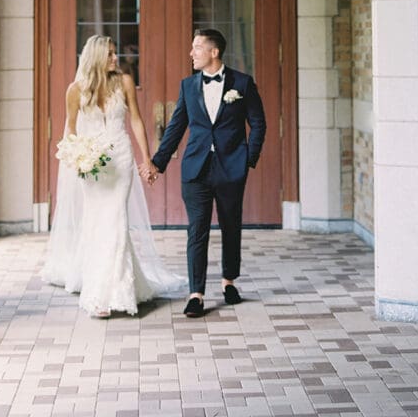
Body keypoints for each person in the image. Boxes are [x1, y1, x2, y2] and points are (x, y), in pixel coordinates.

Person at [42, 34, 185, 317]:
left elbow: (135, 119)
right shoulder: (75, 90)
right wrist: (76, 158)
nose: (115, 58)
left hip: (120, 160)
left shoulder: (125, 82)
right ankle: (100, 291)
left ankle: (113, 292)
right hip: (92, 165)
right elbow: (70, 129)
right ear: (96, 57)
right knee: (97, 224)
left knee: (116, 220)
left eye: (115, 53)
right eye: (109, 54)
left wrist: (147, 159)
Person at [143, 28, 266, 318]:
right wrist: (157, 164)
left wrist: (248, 158)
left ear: (214, 52)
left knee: (230, 226)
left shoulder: (243, 84)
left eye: (197, 47)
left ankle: (229, 281)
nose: (191, 53)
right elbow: (175, 127)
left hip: (231, 168)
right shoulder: (188, 86)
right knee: (196, 230)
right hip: (196, 168)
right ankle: (196, 294)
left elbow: (258, 123)